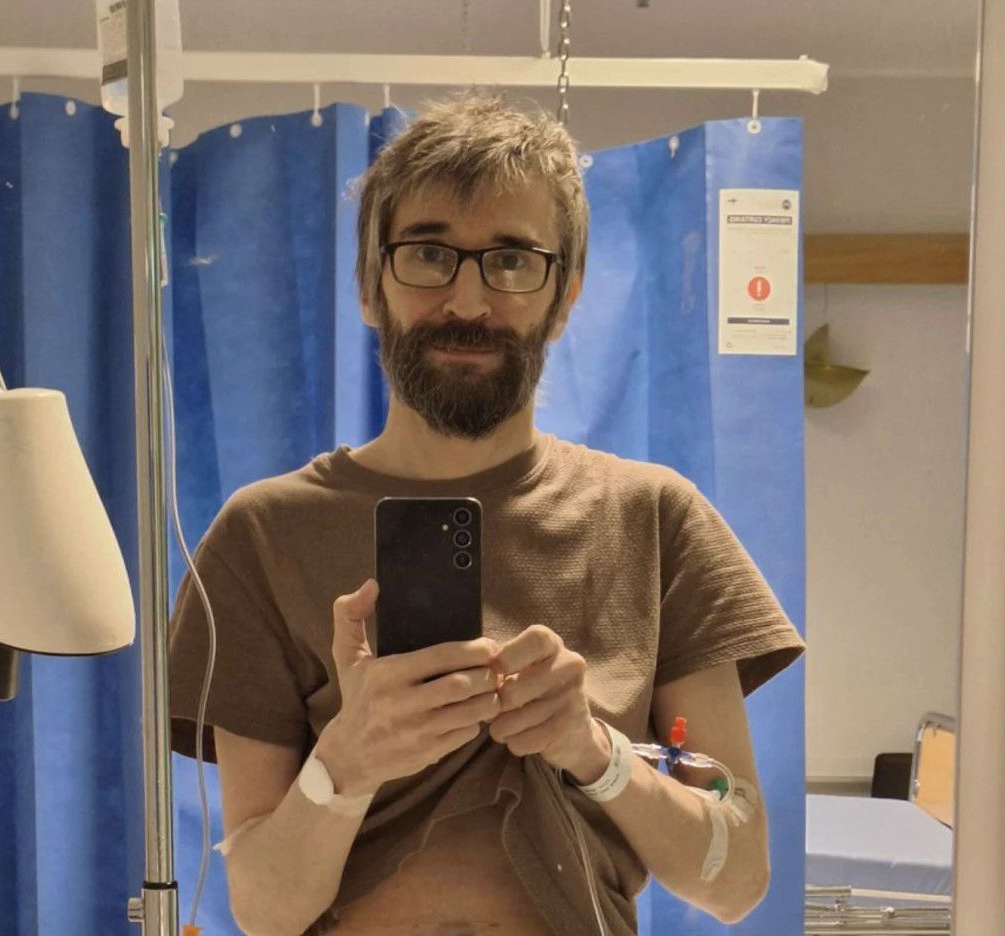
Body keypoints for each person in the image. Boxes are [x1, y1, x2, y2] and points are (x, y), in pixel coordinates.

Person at [168, 90, 806, 936]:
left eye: (511, 260)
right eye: (429, 254)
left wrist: (595, 752)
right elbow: (265, 910)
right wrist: (347, 764)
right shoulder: (263, 538)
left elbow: (738, 880)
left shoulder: (656, 522)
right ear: (369, 285)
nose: (468, 302)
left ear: (565, 295)